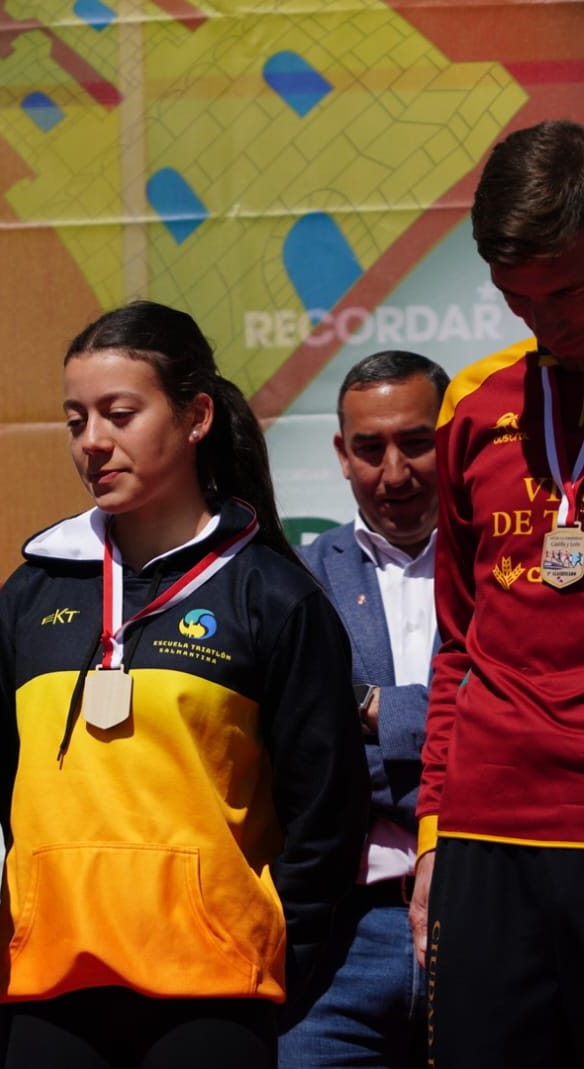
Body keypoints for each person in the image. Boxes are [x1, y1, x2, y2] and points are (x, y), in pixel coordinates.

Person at [0, 300, 368, 1069]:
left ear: (195, 417)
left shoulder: (271, 596)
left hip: (212, 991)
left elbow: (326, 813)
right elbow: (9, 774)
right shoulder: (31, 593)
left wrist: (267, 947)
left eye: (120, 414)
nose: (94, 441)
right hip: (47, 980)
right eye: (75, 419)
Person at [412, 118, 584, 1067]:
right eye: (520, 300)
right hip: (489, 830)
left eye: (567, 293)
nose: (545, 323)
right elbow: (456, 644)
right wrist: (435, 828)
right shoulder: (477, 410)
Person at [280, 350, 448, 1068]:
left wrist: (379, 711)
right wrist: (452, 739)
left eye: (416, 441)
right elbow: (306, 758)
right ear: (340, 455)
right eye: (369, 447)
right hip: (343, 941)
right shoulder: (296, 579)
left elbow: (529, 722)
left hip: (486, 919)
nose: (394, 471)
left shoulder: (515, 568)